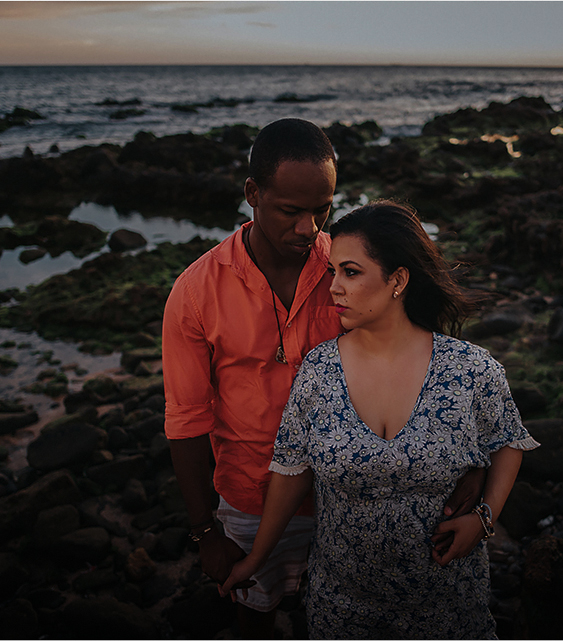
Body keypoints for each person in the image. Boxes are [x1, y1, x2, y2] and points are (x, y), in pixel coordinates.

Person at [163, 120, 484, 638]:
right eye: (290, 211)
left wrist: (470, 459)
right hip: (251, 493)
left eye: (322, 210)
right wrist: (206, 532)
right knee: (255, 614)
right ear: (252, 194)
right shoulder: (196, 292)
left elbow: (420, 355)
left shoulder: (351, 265)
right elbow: (186, 418)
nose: (308, 229)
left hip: (358, 487)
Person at [219, 200, 540, 639]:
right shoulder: (319, 371)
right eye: (332, 271)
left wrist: (485, 518)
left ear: (398, 280)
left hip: (447, 609)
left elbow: (508, 441)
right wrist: (256, 558)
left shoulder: (470, 370)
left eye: (350, 272)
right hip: (343, 609)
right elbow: (291, 470)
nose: (333, 288)